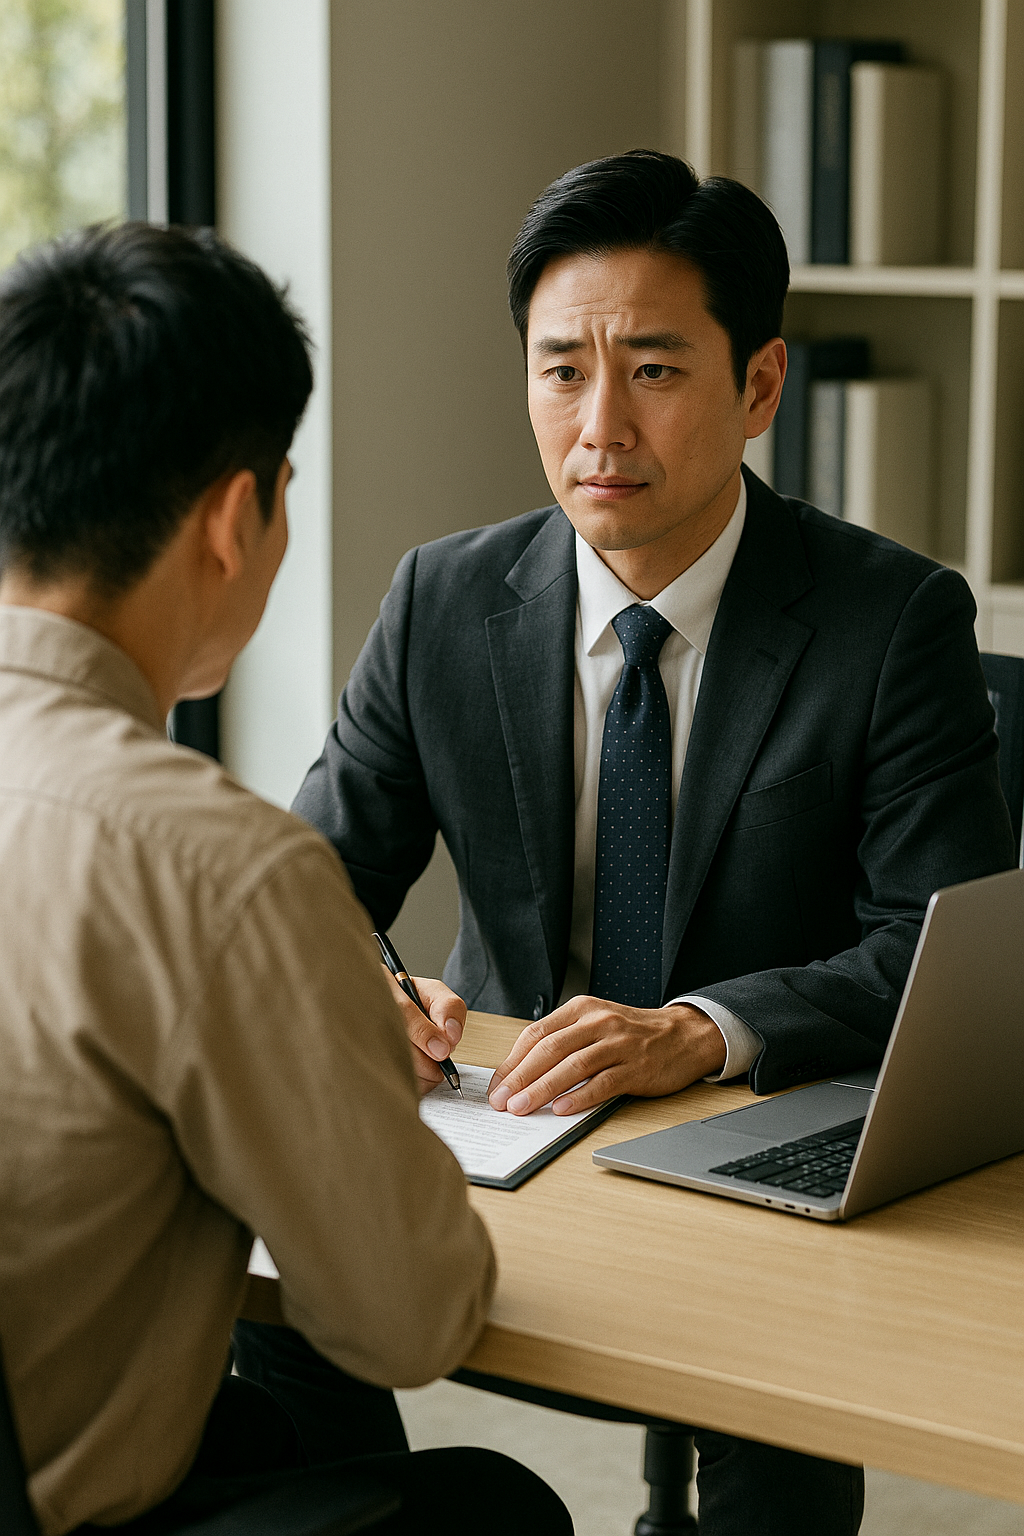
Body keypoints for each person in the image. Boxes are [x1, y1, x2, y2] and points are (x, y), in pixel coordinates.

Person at [288, 151, 1016, 1534]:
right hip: (511, 1142)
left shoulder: (891, 621)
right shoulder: (443, 598)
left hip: (763, 1150)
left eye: (657, 372)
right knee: (258, 1283)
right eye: (563, 370)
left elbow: (936, 960)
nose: (599, 427)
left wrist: (700, 1028)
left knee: (777, 1433)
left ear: (758, 386)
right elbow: (309, 881)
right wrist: (366, 995)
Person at [0, 222, 573, 1536]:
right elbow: (410, 1317)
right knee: (491, 1511)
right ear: (234, 517)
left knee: (259, 1424)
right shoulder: (216, 868)